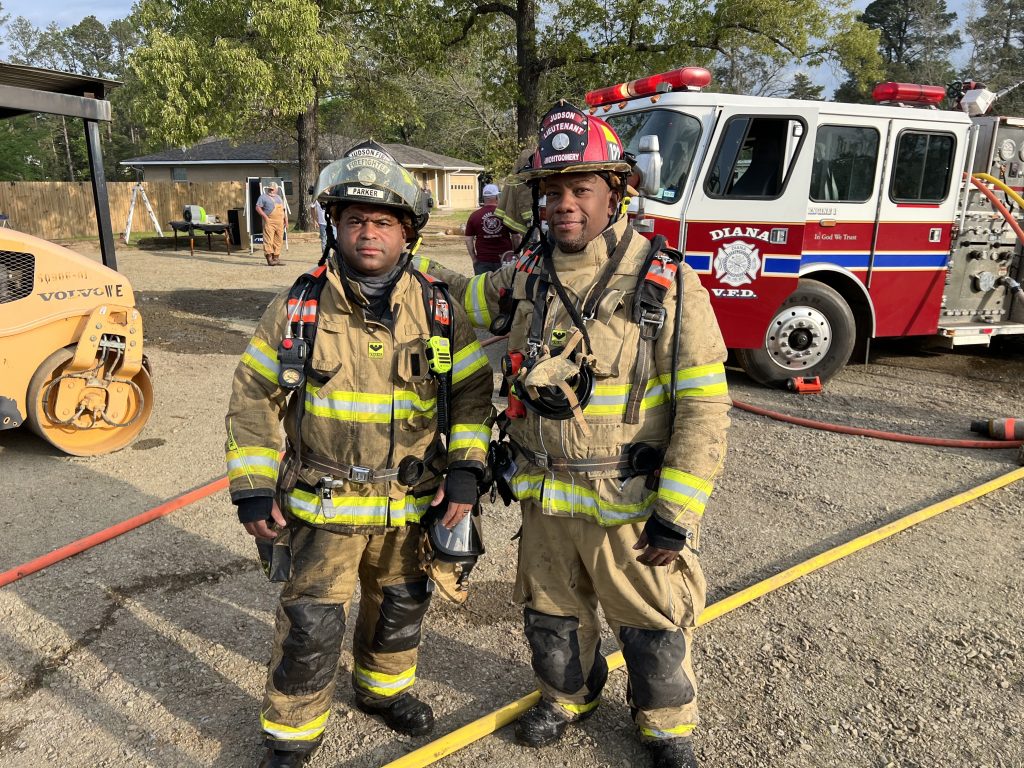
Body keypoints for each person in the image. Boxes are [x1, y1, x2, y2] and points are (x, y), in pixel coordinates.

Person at [418, 102, 731, 768]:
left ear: (615, 193)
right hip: (547, 505)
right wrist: (397, 247)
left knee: (652, 634)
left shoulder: (668, 283)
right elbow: (459, 300)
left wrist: (676, 516)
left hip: (631, 510)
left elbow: (706, 409)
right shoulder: (526, 276)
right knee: (551, 625)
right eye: (551, 191)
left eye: (580, 188)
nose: (564, 204)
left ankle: (666, 725)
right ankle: (568, 699)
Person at [225, 140, 493, 768]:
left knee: (400, 605)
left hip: (410, 501)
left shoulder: (438, 309)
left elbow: (475, 391)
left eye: (383, 222)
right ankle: (291, 737)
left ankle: (382, 692)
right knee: (312, 624)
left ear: (408, 234)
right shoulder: (297, 308)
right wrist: (254, 487)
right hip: (325, 506)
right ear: (335, 227)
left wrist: (465, 470)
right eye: (355, 220)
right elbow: (253, 395)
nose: (368, 234)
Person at [464, 183, 514, 274]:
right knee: (505, 287)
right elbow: (517, 236)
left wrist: (474, 258)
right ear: (497, 197)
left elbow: (468, 240)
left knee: (482, 287)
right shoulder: (506, 215)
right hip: (505, 260)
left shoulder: (474, 216)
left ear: (484, 197)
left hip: (483, 261)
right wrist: (515, 254)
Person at [256, 182, 287, 266]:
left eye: (273, 189)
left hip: (280, 222)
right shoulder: (263, 197)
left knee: (279, 240)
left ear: (276, 189)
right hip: (270, 221)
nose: (271, 190)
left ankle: (276, 259)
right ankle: (270, 260)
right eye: (270, 189)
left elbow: (283, 210)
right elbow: (258, 207)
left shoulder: (279, 198)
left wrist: (286, 220)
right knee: (268, 240)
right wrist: (265, 217)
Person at [307, 184, 328, 254]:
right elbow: (312, 208)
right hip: (322, 223)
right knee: (324, 240)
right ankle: (326, 257)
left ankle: (336, 257)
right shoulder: (315, 198)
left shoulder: (330, 196)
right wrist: (314, 220)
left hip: (332, 222)